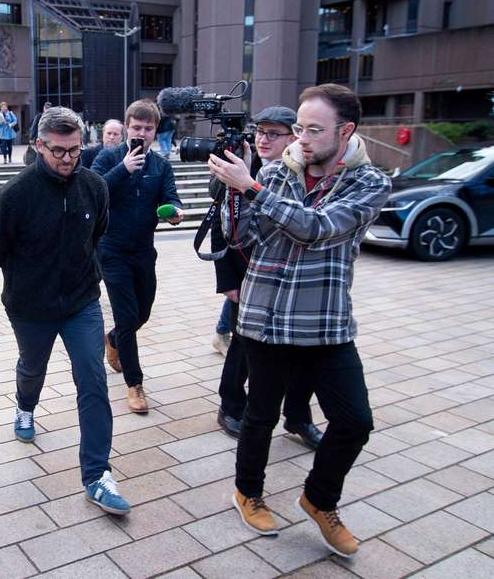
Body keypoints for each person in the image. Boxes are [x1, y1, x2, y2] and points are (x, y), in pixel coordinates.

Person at [208, 84, 390, 558]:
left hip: (325, 323)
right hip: (265, 318)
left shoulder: (369, 182)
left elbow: (319, 230)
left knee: (354, 421)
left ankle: (318, 499)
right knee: (260, 416)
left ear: (345, 131)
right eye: (298, 129)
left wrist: (253, 188)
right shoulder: (276, 171)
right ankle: (248, 493)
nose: (302, 140)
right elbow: (247, 237)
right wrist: (231, 197)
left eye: (314, 130)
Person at [0, 106, 130, 516]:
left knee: (93, 379)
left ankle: (97, 475)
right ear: (38, 146)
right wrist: (30, 273)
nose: (67, 159)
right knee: (33, 367)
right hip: (30, 306)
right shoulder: (14, 194)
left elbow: (96, 230)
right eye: (58, 151)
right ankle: (25, 404)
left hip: (81, 301)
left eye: (74, 151)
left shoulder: (95, 186)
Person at [211, 106, 323, 451]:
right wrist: (228, 281)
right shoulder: (238, 166)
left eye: (273, 133)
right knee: (243, 346)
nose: (263, 139)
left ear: (294, 137)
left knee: (304, 351)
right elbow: (220, 226)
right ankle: (230, 406)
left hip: (296, 281)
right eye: (259, 131)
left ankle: (298, 416)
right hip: (248, 277)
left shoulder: (309, 170)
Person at [91, 100, 184, 413]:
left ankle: (114, 339)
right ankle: (135, 384)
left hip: (144, 250)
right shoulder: (109, 157)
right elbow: (91, 190)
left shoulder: (161, 165)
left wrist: (175, 212)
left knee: (141, 313)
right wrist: (123, 169)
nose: (142, 133)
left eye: (148, 128)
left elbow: (171, 198)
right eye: (136, 127)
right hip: (111, 249)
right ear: (127, 127)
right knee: (128, 317)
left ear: (155, 131)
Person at [24, 101, 51, 165]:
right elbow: (34, 127)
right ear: (44, 108)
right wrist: (31, 138)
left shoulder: (51, 117)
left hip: (49, 138)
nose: (47, 109)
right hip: (39, 138)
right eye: (46, 108)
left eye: (48, 108)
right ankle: (40, 164)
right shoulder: (39, 116)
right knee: (40, 151)